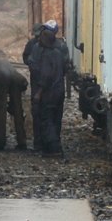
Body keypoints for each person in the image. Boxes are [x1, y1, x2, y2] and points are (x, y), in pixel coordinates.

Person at [27, 19, 71, 158]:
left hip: (48, 92)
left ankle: (52, 148)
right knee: (56, 118)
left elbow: (45, 75)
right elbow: (65, 68)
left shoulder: (45, 53)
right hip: (59, 90)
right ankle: (53, 146)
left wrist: (39, 92)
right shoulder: (59, 51)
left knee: (46, 119)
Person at [0, 57, 28, 151]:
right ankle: (22, 142)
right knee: (18, 112)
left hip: (1, 79)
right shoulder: (3, 63)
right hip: (17, 79)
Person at [22, 23, 44, 150]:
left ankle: (41, 142)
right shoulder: (32, 44)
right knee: (37, 112)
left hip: (41, 82)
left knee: (41, 112)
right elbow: (25, 58)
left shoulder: (33, 44)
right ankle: (39, 142)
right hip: (37, 81)